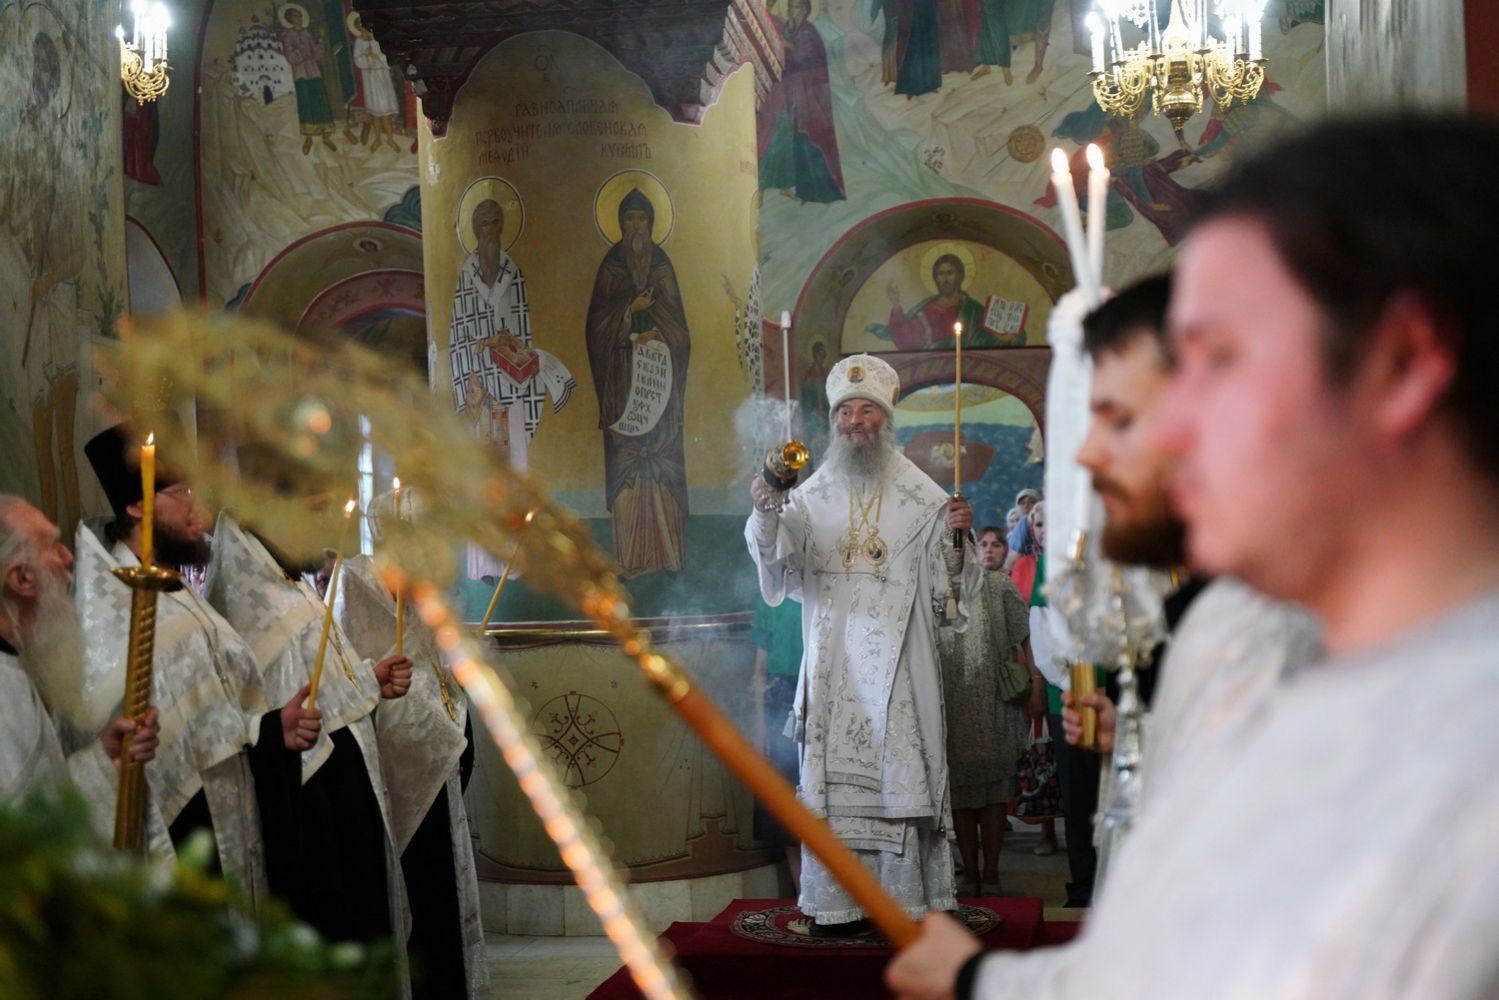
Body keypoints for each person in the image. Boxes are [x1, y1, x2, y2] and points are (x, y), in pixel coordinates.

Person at [888, 114, 1499, 999]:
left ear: (1400, 365)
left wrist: (980, 983)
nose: (1166, 431)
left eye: (1217, 361)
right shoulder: (1324, 668)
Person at [746, 353, 976, 936]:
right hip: (833, 666)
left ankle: (907, 901)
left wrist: (958, 538)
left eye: (866, 410)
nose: (855, 421)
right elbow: (777, 566)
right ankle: (837, 905)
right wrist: (764, 509)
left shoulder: (923, 498)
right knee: (834, 792)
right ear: (834, 421)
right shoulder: (810, 494)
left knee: (898, 783)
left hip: (900, 667)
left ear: (885, 419)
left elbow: (950, 595)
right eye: (845, 411)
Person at [76, 423, 321, 907]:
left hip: (232, 817)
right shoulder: (109, 612)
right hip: (178, 834)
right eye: (182, 493)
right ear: (137, 506)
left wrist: (273, 728)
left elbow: (219, 713)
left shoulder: (184, 594)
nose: (199, 508)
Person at [204, 465, 412, 956]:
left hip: (346, 802)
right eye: (313, 512)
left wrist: (370, 680)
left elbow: (322, 680)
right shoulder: (250, 599)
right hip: (315, 814)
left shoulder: (292, 584)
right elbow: (273, 709)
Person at [333, 486, 488, 998]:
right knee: (412, 876)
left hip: (439, 743)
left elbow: (436, 654)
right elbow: (347, 662)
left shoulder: (426, 585)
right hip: (393, 748)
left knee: (443, 879)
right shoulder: (354, 579)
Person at [0, 495, 159, 829]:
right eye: (51, 545)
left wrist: (102, 758)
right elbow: (27, 841)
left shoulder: (15, 667)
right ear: (21, 579)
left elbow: (41, 797)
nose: (67, 557)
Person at [449, 197, 575, 580]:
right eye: (484, 225)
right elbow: (459, 337)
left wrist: (512, 346)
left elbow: (523, 327)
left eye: (495, 224)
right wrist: (479, 361)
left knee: (515, 476)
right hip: (481, 395)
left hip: (513, 391)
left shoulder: (512, 272)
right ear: (475, 230)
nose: (491, 232)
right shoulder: (466, 275)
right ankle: (486, 563)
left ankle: (516, 562)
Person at [586, 187, 692, 579]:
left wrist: (656, 337)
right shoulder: (611, 266)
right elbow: (596, 328)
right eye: (629, 219)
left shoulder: (661, 265)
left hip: (659, 384)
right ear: (620, 223)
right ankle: (630, 559)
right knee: (627, 463)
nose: (635, 227)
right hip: (622, 383)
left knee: (662, 462)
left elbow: (680, 330)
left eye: (641, 219)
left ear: (651, 223)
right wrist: (631, 312)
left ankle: (668, 555)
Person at [938, 525, 1043, 897]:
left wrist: (1036, 683)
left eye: (960, 545)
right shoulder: (933, 590)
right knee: (960, 793)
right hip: (950, 703)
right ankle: (970, 873)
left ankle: (993, 871)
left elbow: (1026, 637)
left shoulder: (998, 586)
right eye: (947, 547)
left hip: (995, 700)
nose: (955, 553)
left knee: (995, 793)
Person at [757, 0, 846, 204]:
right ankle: (804, 190)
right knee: (796, 142)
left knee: (810, 143)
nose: (791, 11)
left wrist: (787, 46)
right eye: (790, 6)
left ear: (805, 10)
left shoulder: (807, 32)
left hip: (809, 99)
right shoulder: (792, 29)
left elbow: (805, 59)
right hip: (794, 97)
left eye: (796, 7)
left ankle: (821, 191)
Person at [748, 593, 805, 891]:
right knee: (785, 799)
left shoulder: (820, 591)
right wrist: (761, 727)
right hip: (779, 699)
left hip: (817, 695)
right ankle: (802, 894)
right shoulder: (769, 599)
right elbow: (759, 670)